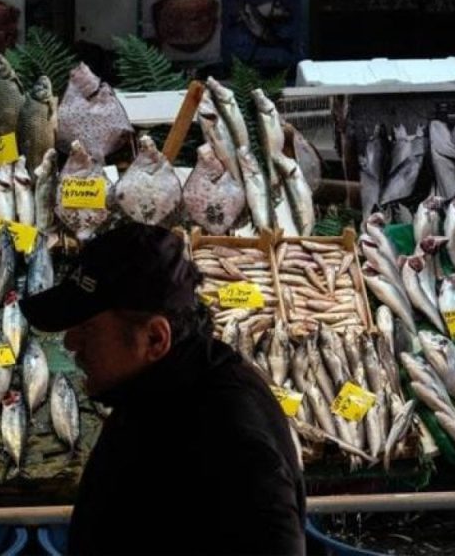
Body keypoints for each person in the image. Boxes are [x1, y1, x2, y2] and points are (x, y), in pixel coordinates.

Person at [19, 224, 306, 556]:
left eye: (88, 329)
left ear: (155, 338)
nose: (70, 343)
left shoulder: (232, 436)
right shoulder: (152, 385)